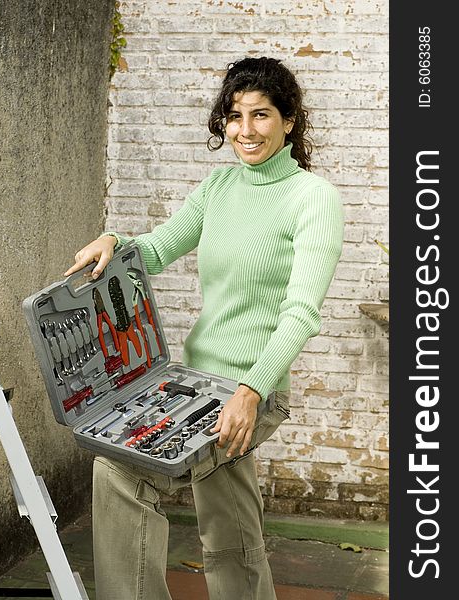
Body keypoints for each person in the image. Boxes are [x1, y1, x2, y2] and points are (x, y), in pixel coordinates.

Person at [65, 56, 344, 600]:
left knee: (121, 473)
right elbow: (158, 249)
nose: (245, 130)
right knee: (230, 523)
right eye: (235, 115)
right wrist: (114, 241)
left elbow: (300, 312)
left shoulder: (313, 198)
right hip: (194, 382)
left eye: (261, 115)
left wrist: (251, 391)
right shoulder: (218, 189)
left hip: (252, 391)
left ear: (289, 121)